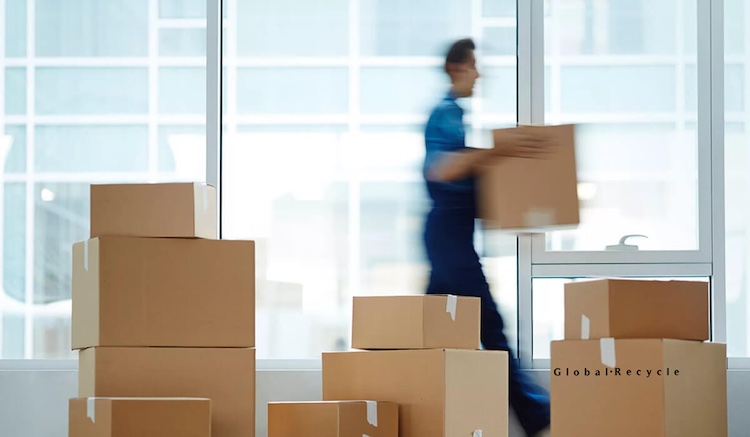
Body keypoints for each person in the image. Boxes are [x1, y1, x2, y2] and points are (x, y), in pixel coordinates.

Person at [422, 38, 552, 437]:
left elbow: (465, 182)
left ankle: (405, 397)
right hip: (448, 237)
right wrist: (500, 149)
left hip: (453, 235)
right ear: (458, 68)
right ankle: (537, 417)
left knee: (425, 330)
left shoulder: (456, 115)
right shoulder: (445, 113)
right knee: (489, 324)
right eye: (475, 66)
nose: (480, 74)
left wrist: (518, 208)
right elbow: (442, 170)